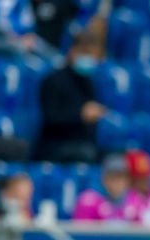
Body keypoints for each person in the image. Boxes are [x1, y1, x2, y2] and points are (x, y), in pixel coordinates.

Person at [37, 33, 105, 163]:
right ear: (72, 51)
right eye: (85, 53)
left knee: (113, 156)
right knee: (86, 154)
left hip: (83, 143)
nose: (89, 59)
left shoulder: (88, 82)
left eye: (92, 55)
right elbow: (51, 118)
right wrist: (80, 115)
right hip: (56, 145)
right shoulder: (53, 80)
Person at [72, 154, 133, 222]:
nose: (115, 183)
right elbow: (81, 231)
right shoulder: (89, 202)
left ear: (128, 180)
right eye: (111, 177)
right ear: (103, 179)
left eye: (120, 178)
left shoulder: (136, 205)